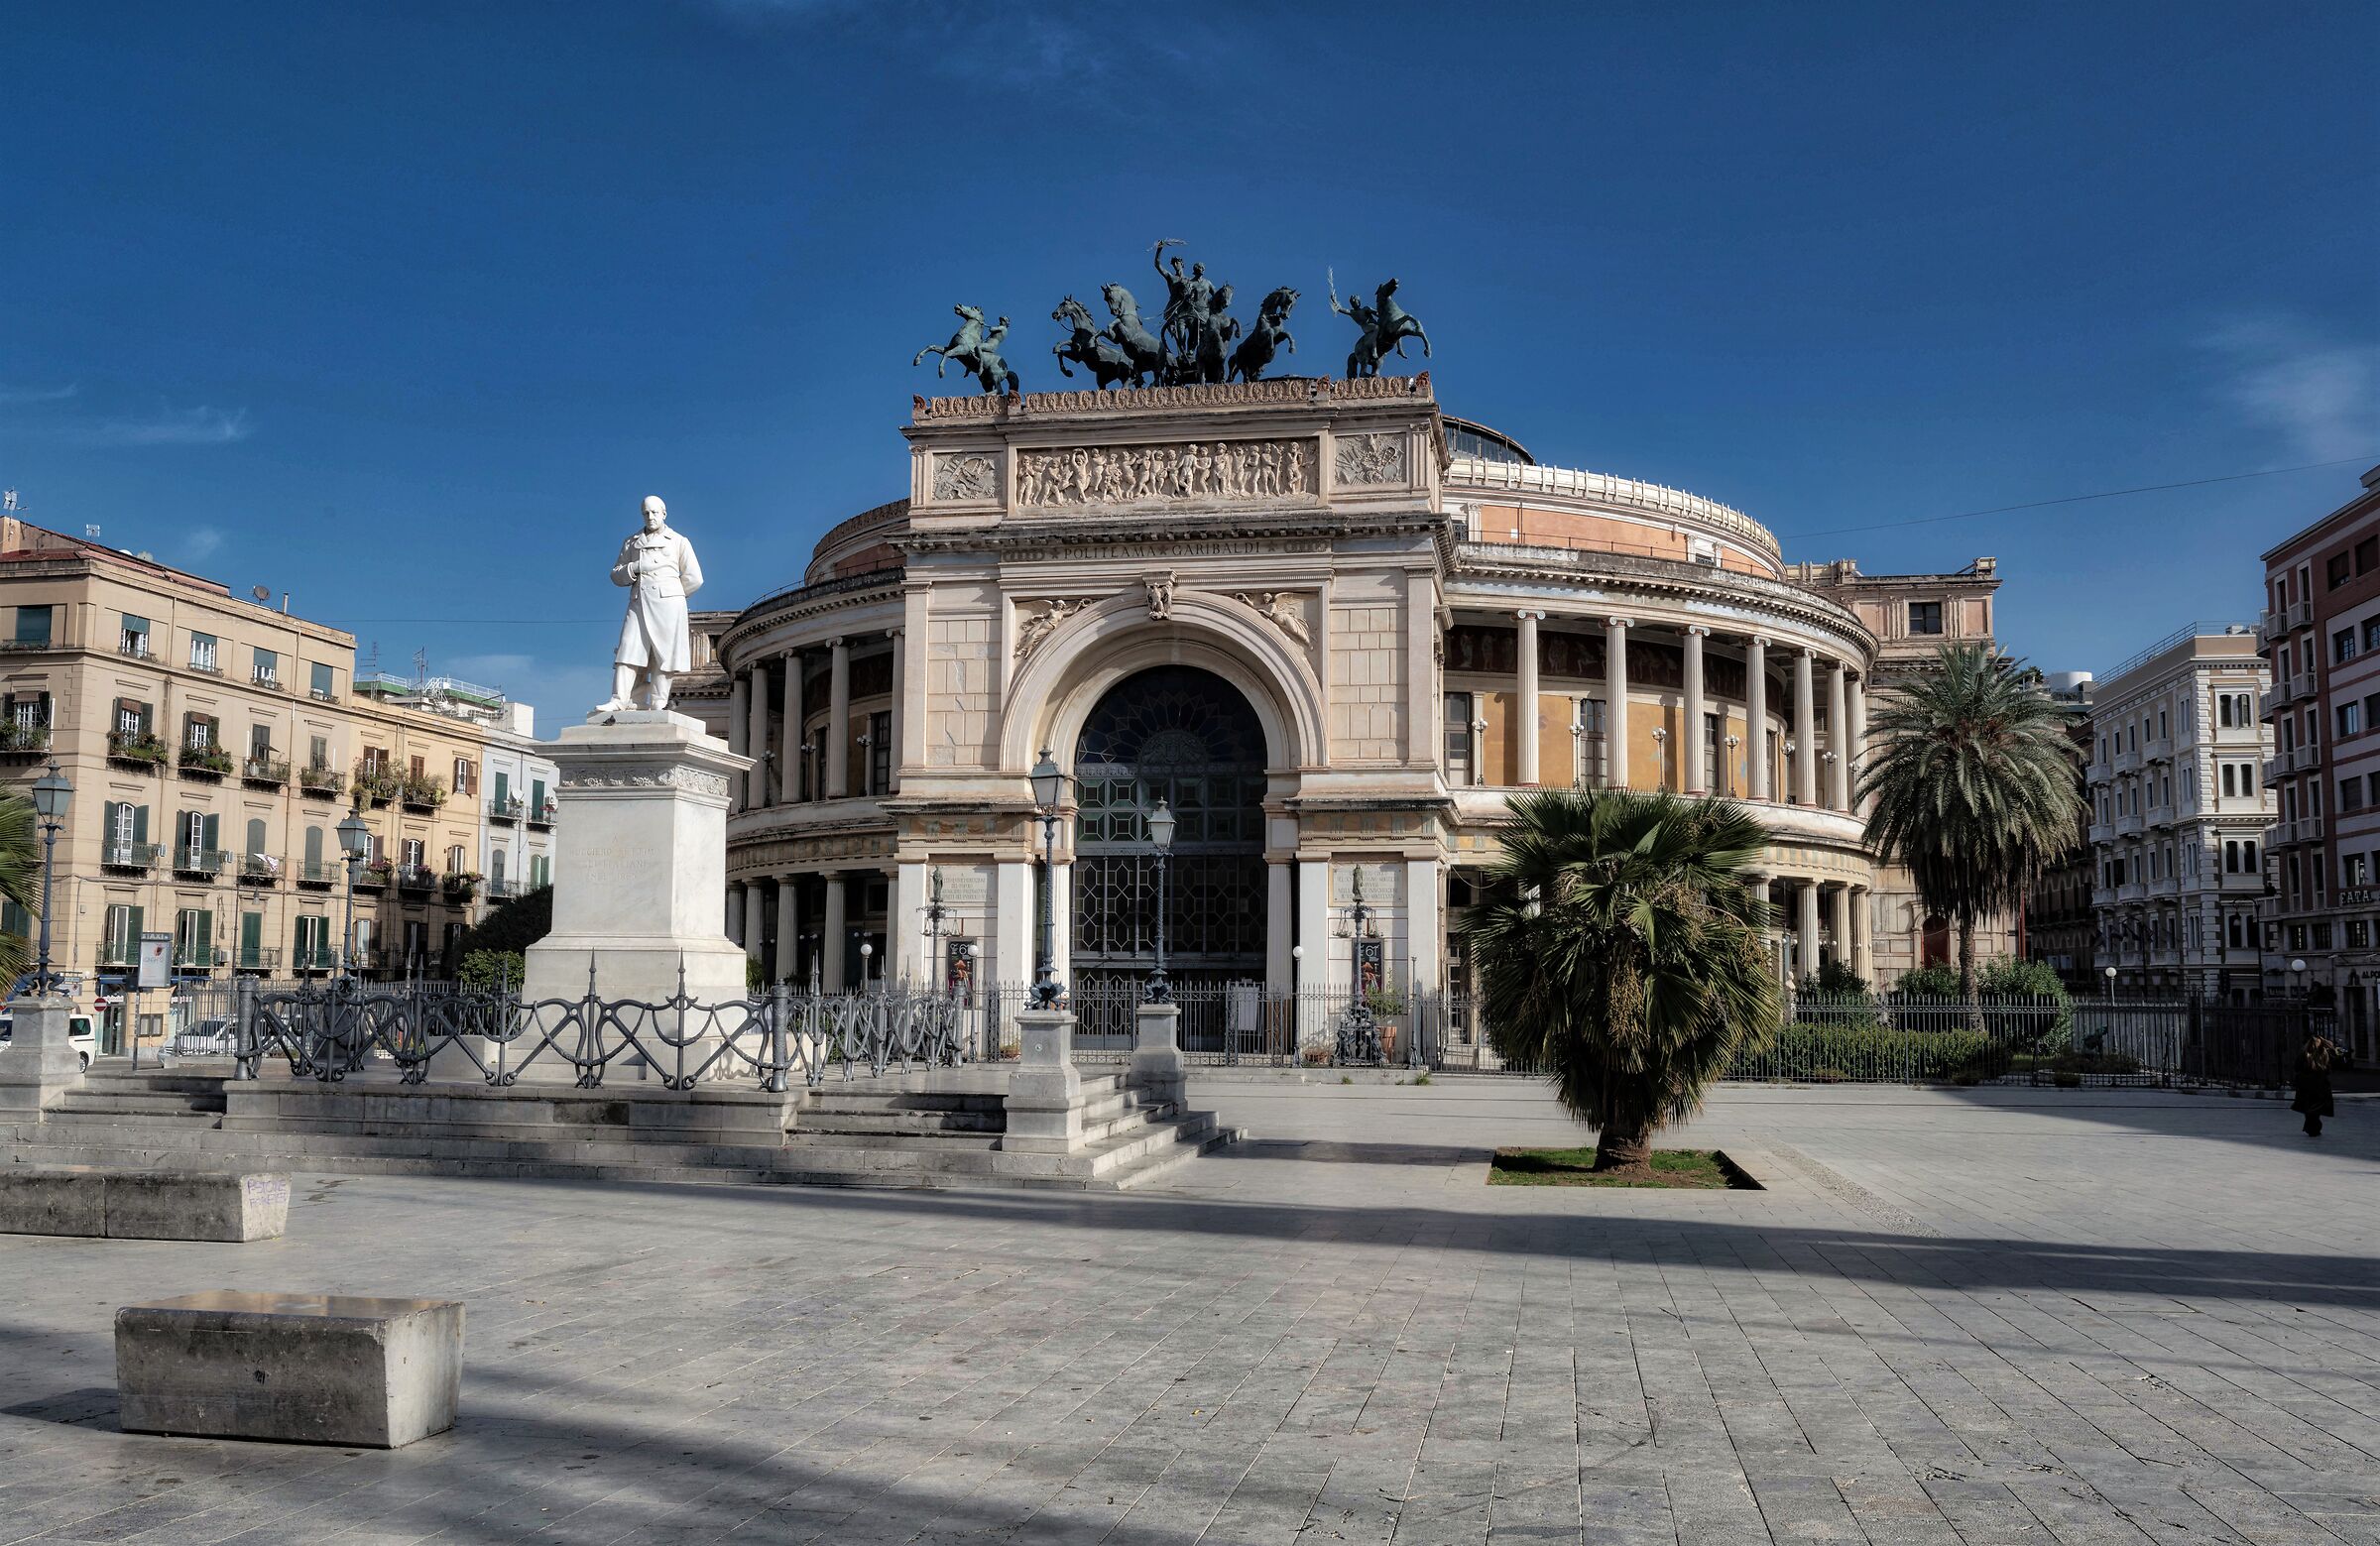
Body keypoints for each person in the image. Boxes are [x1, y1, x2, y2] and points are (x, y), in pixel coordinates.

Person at [599, 495, 703, 713]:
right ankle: (619, 699)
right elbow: (615, 575)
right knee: (628, 649)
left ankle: (658, 702)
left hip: (668, 604)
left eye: (654, 512)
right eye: (646, 513)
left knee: (662, 655)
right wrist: (634, 567)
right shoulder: (631, 541)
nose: (650, 516)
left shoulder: (678, 541)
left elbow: (694, 577)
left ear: (664, 513)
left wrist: (673, 595)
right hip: (638, 603)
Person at [2292, 1030, 2336, 1137]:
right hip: (2320, 1086)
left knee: (2308, 1108)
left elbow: (2296, 1067)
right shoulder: (2325, 1054)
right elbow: (2329, 1069)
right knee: (2316, 1109)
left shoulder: (2303, 1054)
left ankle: (2312, 1128)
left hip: (2305, 1086)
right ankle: (2313, 1128)